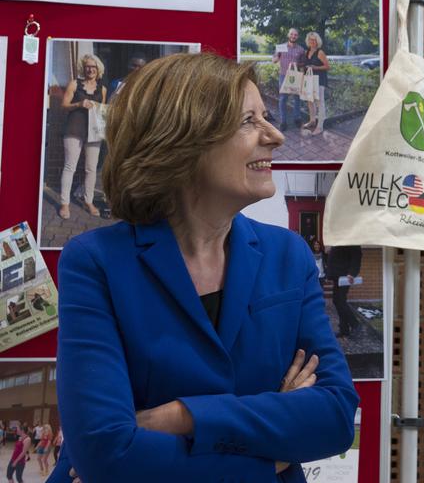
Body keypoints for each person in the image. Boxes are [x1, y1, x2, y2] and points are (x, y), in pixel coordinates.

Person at [50, 52, 358, 483]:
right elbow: (107, 454)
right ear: (179, 140)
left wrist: (185, 416)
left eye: (266, 117)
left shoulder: (288, 257)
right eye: (249, 121)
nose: (275, 136)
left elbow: (335, 416)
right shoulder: (96, 263)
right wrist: (271, 458)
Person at [59, 54, 107, 220]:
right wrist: (79, 104)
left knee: (91, 169)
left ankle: (89, 201)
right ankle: (64, 203)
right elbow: (64, 105)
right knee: (69, 166)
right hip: (74, 129)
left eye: (93, 67)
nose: (90, 69)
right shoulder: (75, 84)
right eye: (87, 66)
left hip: (94, 132)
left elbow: (102, 111)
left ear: (98, 69)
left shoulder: (102, 89)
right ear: (83, 68)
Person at [272, 28, 307, 131]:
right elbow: (274, 60)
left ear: (298, 36)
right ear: (288, 35)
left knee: (297, 97)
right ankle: (283, 121)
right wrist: (277, 56)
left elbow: (303, 64)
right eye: (292, 34)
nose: (293, 36)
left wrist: (297, 64)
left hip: (296, 76)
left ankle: (297, 118)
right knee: (283, 98)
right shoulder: (281, 47)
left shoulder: (301, 49)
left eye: (295, 35)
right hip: (283, 75)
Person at [325, 245, 362, 337]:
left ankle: (355, 324)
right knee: (337, 301)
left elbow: (357, 255)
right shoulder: (338, 240)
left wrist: (352, 273)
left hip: (345, 276)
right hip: (337, 276)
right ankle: (344, 329)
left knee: (340, 301)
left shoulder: (350, 239)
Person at [298, 31, 330, 136]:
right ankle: (312, 121)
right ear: (308, 41)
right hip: (309, 80)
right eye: (310, 40)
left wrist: (315, 67)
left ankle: (320, 126)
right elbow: (305, 66)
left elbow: (327, 66)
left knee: (319, 103)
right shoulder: (307, 52)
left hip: (319, 80)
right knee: (310, 101)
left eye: (314, 40)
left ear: (317, 41)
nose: (312, 41)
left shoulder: (320, 52)